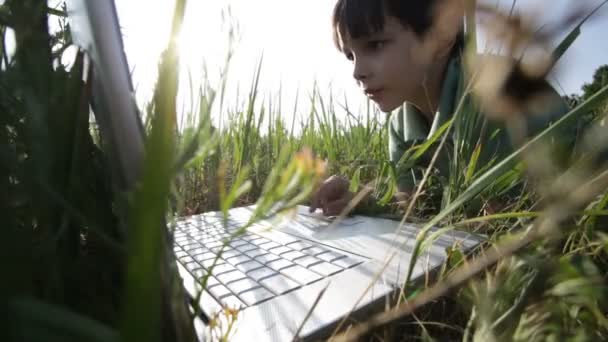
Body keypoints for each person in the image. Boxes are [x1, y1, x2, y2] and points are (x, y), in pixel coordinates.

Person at [309, 0, 570, 216]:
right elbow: (412, 204)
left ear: (441, 37)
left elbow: (505, 213)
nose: (358, 71)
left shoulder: (492, 90)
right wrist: (359, 199)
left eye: (375, 44)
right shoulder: (401, 122)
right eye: (350, 56)